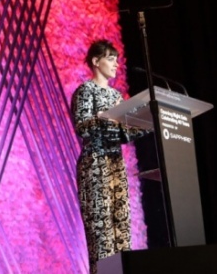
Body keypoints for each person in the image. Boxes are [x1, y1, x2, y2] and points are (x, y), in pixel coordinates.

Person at [70, 39, 150, 273]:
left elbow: (124, 133)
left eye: (117, 59)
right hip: (95, 165)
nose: (116, 64)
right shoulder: (85, 91)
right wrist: (106, 117)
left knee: (121, 231)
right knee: (102, 235)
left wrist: (147, 122)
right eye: (111, 59)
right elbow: (83, 128)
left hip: (116, 165)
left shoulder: (116, 95)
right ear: (96, 61)